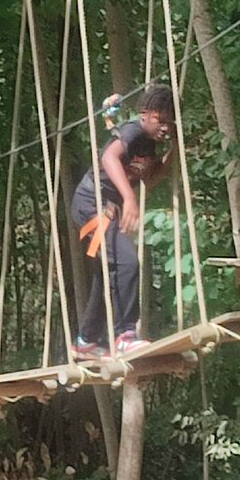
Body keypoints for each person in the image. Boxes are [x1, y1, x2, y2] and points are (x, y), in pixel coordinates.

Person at [71, 83, 177, 358]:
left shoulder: (151, 144)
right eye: (160, 121)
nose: (164, 127)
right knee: (127, 261)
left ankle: (87, 340)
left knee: (108, 272)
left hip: (108, 208)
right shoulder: (134, 131)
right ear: (145, 114)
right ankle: (125, 335)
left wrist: (174, 151)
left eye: (170, 123)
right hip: (92, 203)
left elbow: (150, 178)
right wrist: (129, 198)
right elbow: (109, 158)